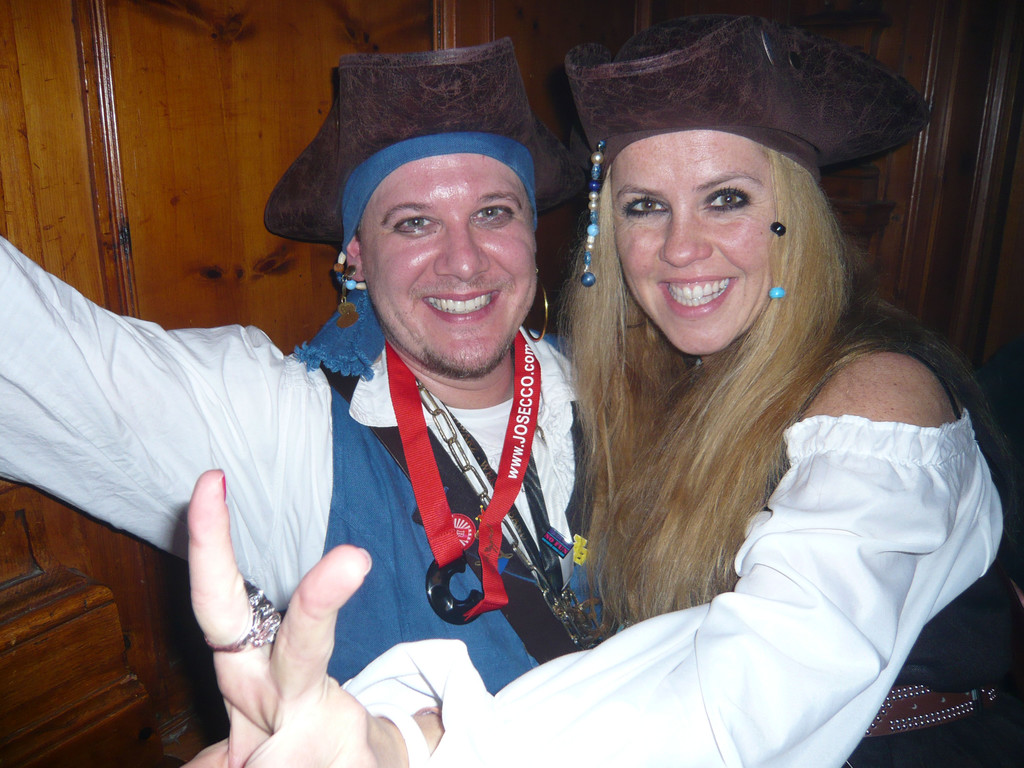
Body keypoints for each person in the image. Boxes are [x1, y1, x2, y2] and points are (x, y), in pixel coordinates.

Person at [181, 15, 1024, 768]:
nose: (681, 248)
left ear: (794, 218)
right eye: (646, 206)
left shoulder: (879, 395)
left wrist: (418, 745)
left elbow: (761, 679)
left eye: (727, 199)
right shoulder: (648, 386)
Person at [0, 38, 596, 695]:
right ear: (356, 257)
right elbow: (39, 351)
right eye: (413, 223)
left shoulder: (613, 385)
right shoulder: (287, 427)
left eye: (493, 213)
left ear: (531, 232)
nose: (464, 260)